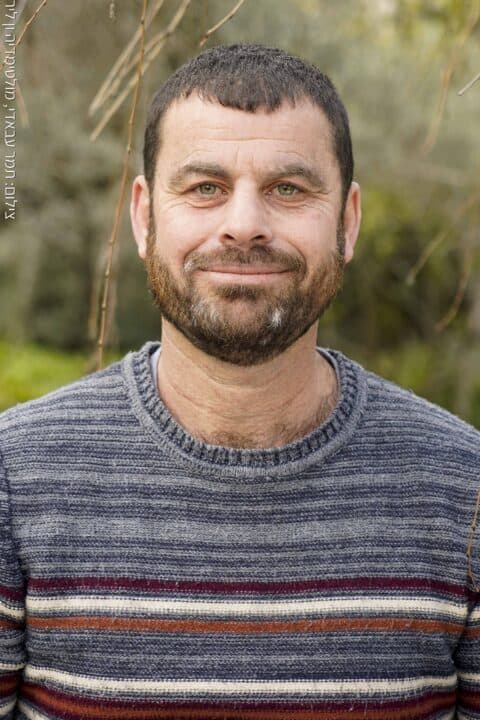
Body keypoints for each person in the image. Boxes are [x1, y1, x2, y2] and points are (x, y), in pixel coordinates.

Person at [0, 43, 479, 720]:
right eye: (205, 188)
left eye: (288, 189)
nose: (245, 226)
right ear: (143, 217)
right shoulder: (15, 476)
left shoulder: (465, 490)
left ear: (347, 222)